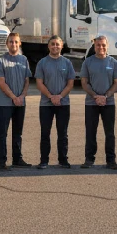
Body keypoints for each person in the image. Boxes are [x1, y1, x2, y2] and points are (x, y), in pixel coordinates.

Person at [80, 36, 117, 170]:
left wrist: (105, 96)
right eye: (98, 45)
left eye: (103, 45)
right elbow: (84, 82)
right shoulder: (88, 62)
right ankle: (89, 159)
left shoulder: (113, 62)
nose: (101, 47)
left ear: (107, 45)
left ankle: (111, 160)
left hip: (108, 103)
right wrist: (95, 96)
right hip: (91, 103)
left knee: (109, 133)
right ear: (94, 46)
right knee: (90, 132)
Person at [35, 35, 76, 169]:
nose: (55, 46)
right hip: (46, 104)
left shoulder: (67, 63)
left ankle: (63, 160)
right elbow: (39, 83)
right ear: (48, 46)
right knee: (45, 133)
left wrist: (59, 96)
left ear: (62, 46)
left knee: (62, 133)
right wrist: (51, 96)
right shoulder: (42, 63)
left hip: (63, 104)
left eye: (57, 44)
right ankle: (44, 160)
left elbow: (70, 84)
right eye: (52, 44)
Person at [0, 33, 33, 170]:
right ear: (7, 44)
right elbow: (1, 82)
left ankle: (17, 159)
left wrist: (21, 96)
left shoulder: (24, 59)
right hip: (5, 103)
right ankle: (2, 161)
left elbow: (27, 81)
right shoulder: (1, 60)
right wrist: (13, 97)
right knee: (3, 132)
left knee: (18, 132)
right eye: (11, 42)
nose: (13, 44)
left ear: (20, 43)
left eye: (16, 42)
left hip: (20, 102)